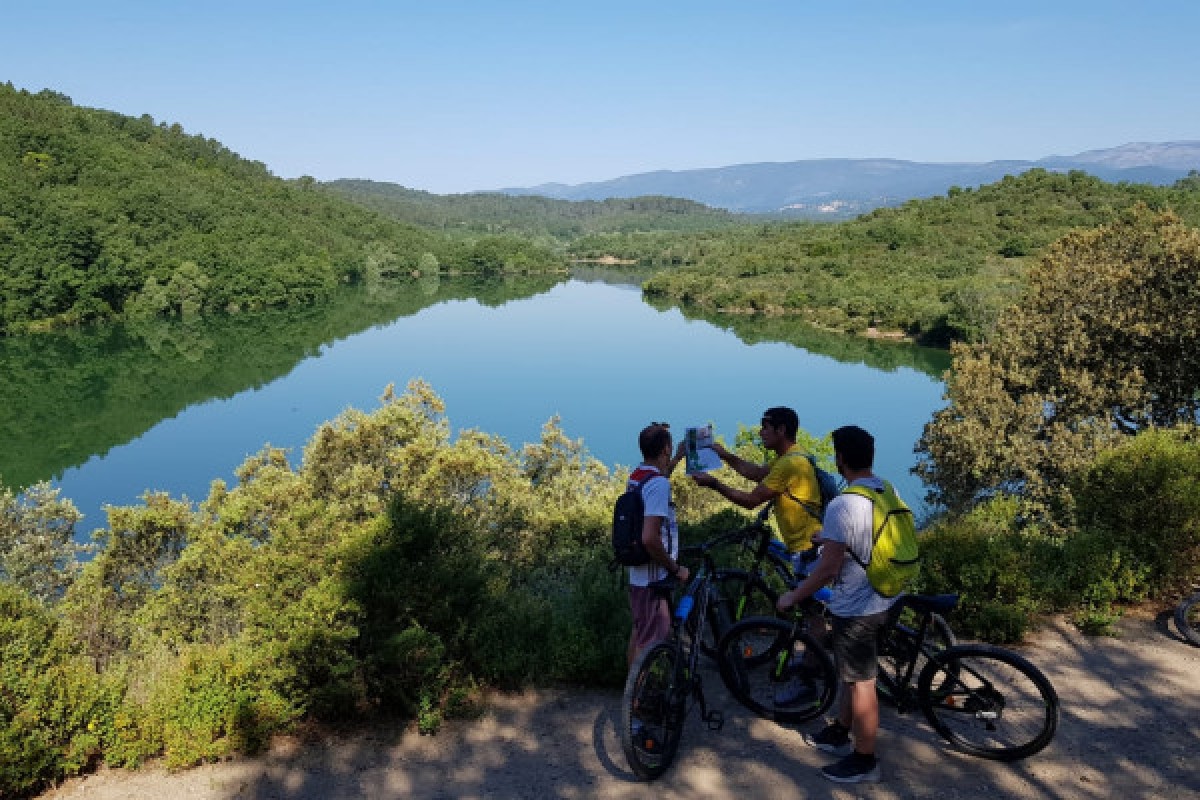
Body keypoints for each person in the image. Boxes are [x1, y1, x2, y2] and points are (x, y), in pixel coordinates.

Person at [776, 425, 896, 784]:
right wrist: (828, 536)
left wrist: (793, 596)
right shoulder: (883, 489)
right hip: (886, 593)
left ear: (840, 457)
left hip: (858, 605)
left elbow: (827, 570)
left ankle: (865, 760)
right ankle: (841, 731)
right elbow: (864, 535)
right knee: (852, 673)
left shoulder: (843, 503)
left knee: (862, 683)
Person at [689, 406, 823, 564]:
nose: (760, 433)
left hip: (806, 548)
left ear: (781, 430)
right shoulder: (795, 453)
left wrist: (714, 484)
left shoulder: (789, 463)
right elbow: (758, 473)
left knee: (806, 588)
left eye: (765, 428)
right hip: (809, 544)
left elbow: (751, 501)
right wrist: (725, 455)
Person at [627, 422, 690, 669]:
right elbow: (650, 538)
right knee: (651, 640)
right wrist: (675, 569)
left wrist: (677, 457)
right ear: (664, 449)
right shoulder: (658, 485)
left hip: (638, 573)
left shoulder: (638, 475)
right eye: (669, 447)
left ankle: (632, 692)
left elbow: (658, 478)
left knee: (640, 631)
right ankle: (637, 701)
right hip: (654, 576)